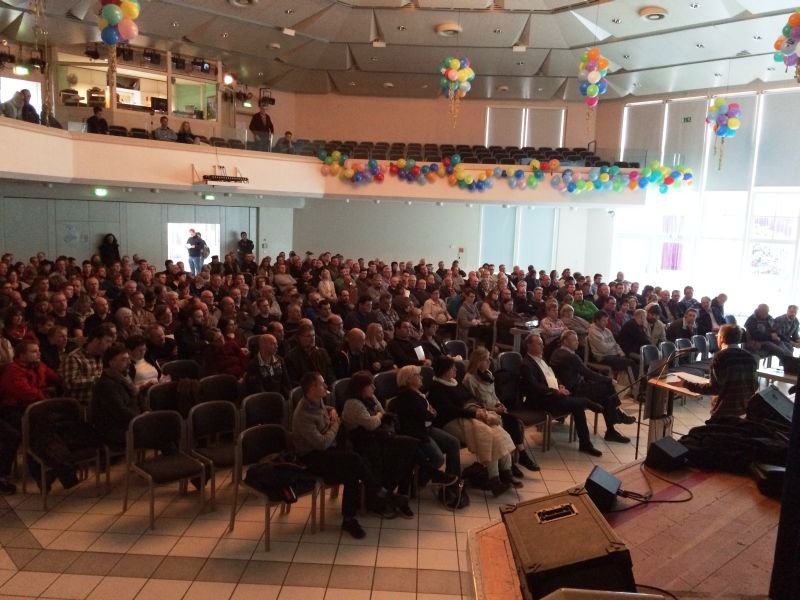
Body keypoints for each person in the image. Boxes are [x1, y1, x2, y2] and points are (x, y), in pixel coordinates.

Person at [292, 372, 402, 537]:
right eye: (322, 384)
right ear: (312, 388)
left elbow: (326, 411)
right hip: (311, 457)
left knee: (352, 470)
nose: (326, 386)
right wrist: (335, 425)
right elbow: (322, 443)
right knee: (354, 459)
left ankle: (349, 518)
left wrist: (332, 410)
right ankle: (378, 492)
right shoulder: (303, 415)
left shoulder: (317, 401)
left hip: (329, 450)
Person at [428, 355, 520, 496]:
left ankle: (506, 471)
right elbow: (450, 410)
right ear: (445, 371)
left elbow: (470, 397)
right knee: (487, 436)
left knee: (497, 431)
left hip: (468, 415)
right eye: (452, 368)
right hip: (451, 422)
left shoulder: (454, 382)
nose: (455, 370)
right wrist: (474, 414)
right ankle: (494, 479)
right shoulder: (436, 388)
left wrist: (479, 409)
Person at [341, 371, 418, 516]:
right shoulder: (352, 403)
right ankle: (386, 497)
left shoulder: (369, 398)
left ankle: (398, 495)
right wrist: (378, 415)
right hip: (362, 442)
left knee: (411, 448)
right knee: (408, 448)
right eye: (370, 385)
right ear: (360, 388)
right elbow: (371, 423)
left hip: (376, 437)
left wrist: (378, 413)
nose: (374, 389)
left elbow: (381, 412)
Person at [519, 333, 603, 457]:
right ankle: (588, 403)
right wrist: (556, 391)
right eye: (539, 344)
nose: (543, 346)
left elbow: (551, 376)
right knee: (580, 402)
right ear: (529, 345)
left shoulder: (541, 359)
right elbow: (535, 387)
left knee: (577, 406)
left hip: (552, 397)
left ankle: (585, 444)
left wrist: (560, 385)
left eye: (542, 344)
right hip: (540, 401)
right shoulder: (526, 364)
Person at [462, 347, 540, 473]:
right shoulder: (469, 379)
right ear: (478, 361)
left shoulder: (488, 374)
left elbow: (494, 395)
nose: (489, 362)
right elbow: (474, 403)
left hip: (495, 409)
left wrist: (500, 405)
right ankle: (517, 459)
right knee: (509, 423)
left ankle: (516, 458)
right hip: (485, 412)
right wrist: (494, 409)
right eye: (486, 360)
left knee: (513, 422)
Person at [550, 330, 634, 444]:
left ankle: (614, 424)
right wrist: (609, 379)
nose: (577, 342)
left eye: (577, 340)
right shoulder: (569, 356)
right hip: (574, 390)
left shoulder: (556, 352)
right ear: (565, 341)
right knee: (607, 388)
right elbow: (588, 373)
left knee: (606, 396)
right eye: (574, 340)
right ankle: (615, 419)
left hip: (572, 386)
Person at [392, 365, 461, 485]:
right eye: (417, 375)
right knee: (438, 458)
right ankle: (419, 480)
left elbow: (429, 412)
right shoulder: (407, 395)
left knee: (454, 442)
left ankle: (454, 478)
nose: (421, 377)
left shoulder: (418, 392)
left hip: (427, 428)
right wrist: (431, 414)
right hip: (417, 431)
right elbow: (425, 414)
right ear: (408, 379)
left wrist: (431, 413)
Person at [675, 325, 757, 420]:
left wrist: (685, 384)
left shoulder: (721, 357)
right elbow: (754, 385)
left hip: (724, 411)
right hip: (744, 410)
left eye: (717, 335)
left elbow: (714, 389)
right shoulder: (750, 357)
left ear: (721, 338)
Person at [91, 343, 139, 448]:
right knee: (159, 426)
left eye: (128, 359)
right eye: (124, 360)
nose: (129, 362)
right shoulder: (106, 384)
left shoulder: (124, 378)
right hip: (114, 429)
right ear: (111, 363)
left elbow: (136, 399)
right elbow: (120, 411)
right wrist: (142, 418)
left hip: (128, 422)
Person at [60, 323, 115, 408]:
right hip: (80, 406)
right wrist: (99, 379)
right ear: (96, 340)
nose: (110, 345)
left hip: (99, 404)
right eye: (107, 341)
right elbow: (70, 383)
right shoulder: (74, 357)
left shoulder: (102, 356)